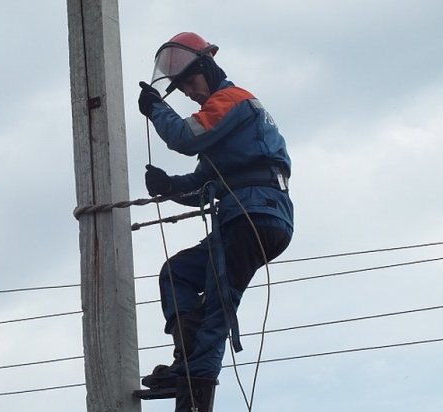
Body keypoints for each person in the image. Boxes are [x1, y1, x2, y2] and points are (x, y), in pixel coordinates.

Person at [137, 32, 294, 411]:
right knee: (177, 274)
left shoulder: (232, 101)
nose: (189, 92)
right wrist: (169, 186)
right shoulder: (226, 125)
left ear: (207, 67)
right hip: (247, 214)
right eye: (182, 86)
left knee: (219, 301)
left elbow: (184, 137)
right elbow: (203, 183)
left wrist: (157, 108)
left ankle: (197, 390)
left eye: (190, 81)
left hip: (255, 213)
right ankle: (188, 362)